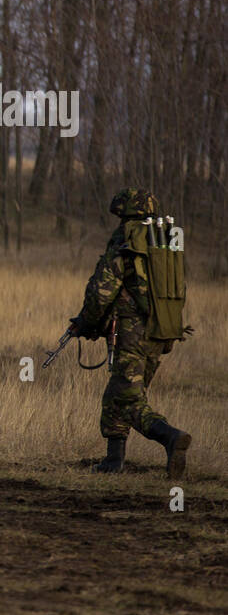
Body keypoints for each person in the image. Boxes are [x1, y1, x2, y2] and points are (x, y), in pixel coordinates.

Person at [69, 188, 191, 476]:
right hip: (163, 329)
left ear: (124, 213)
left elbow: (102, 290)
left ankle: (171, 437)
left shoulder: (128, 237)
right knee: (119, 392)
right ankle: (113, 461)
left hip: (134, 331)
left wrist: (87, 322)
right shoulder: (163, 238)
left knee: (127, 399)